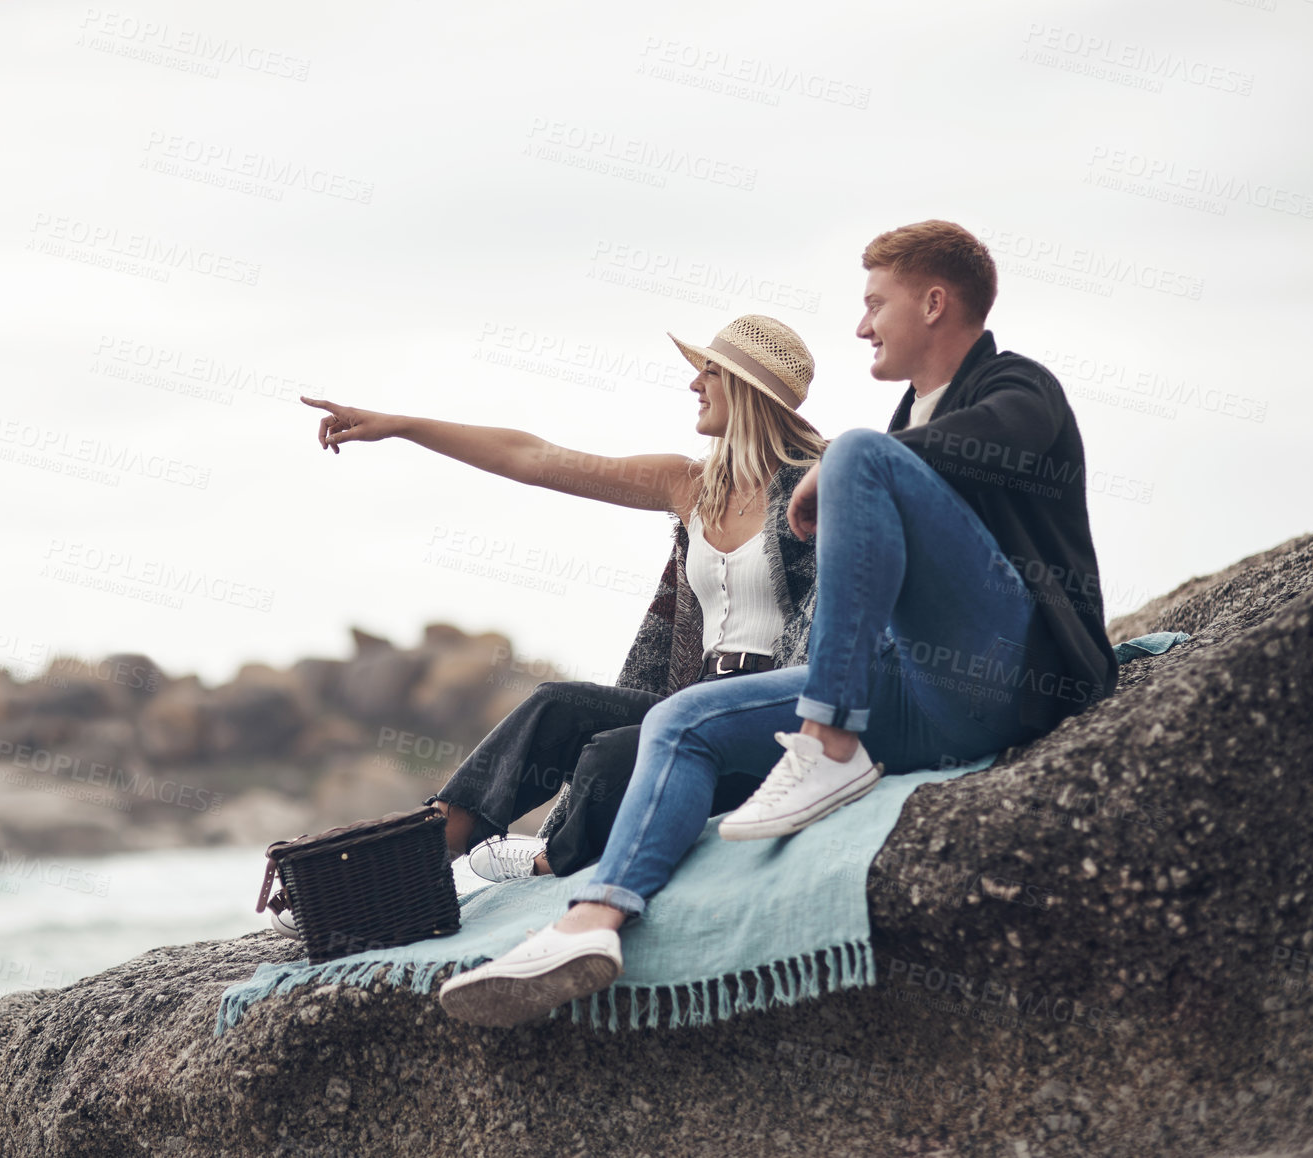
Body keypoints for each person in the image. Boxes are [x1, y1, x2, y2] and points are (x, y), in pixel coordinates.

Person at [438, 220, 1122, 1026]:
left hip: (1007, 671)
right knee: (681, 717)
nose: (863, 325)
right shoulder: (882, 434)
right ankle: (593, 921)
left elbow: (995, 441)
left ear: (934, 303)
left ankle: (826, 742)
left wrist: (841, 467)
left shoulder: (1015, 386)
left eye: (876, 304)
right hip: (915, 697)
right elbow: (540, 457)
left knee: (861, 452)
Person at [266, 315, 829, 936]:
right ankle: (396, 869)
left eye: (711, 372)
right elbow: (534, 458)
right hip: (692, 700)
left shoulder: (819, 486)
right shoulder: (689, 483)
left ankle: (543, 860)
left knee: (618, 754)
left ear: (750, 390)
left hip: (770, 717)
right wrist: (403, 426)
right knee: (555, 705)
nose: (695, 383)